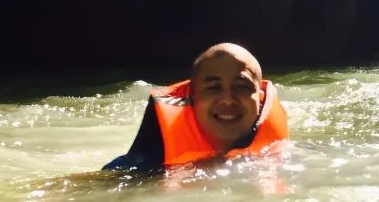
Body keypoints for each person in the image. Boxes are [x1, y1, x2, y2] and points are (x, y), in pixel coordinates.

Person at [102, 42, 290, 171]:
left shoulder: (284, 156)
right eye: (213, 87)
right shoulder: (142, 165)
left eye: (241, 87)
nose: (227, 100)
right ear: (192, 98)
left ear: (260, 97)